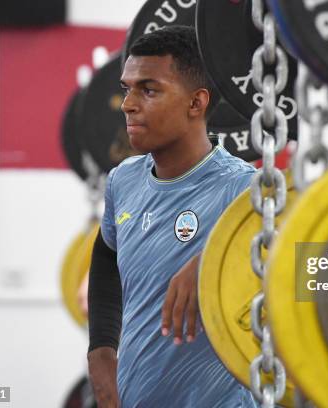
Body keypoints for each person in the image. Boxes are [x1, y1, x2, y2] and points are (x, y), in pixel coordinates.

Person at [86, 25, 257, 408]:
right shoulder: (123, 181)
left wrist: (218, 261)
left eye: (148, 89)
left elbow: (302, 268)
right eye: (127, 87)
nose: (128, 103)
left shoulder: (245, 190)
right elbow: (106, 255)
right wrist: (101, 350)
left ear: (196, 103)